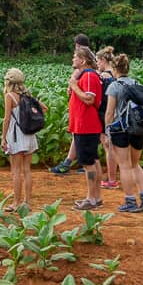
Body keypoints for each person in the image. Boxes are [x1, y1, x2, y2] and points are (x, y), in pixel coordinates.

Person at [105, 53, 143, 213]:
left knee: (124, 166)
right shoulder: (137, 84)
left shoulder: (114, 86)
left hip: (121, 130)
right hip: (139, 129)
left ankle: (130, 200)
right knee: (135, 164)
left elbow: (110, 113)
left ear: (114, 69)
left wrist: (107, 131)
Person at [1, 68, 47, 211]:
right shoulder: (28, 95)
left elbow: (7, 119)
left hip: (16, 135)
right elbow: (44, 108)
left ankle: (16, 202)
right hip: (29, 134)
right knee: (27, 170)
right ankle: (27, 202)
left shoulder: (10, 96)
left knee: (16, 171)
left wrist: (3, 137)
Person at [51, 33, 92, 175]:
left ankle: (72, 163)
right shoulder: (87, 60)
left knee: (83, 134)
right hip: (79, 102)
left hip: (84, 105)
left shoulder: (86, 60)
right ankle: (80, 162)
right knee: (80, 134)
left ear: (79, 45)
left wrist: (73, 86)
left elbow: (86, 92)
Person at [70, 45, 104, 210]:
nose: (72, 60)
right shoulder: (87, 75)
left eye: (75, 57)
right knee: (94, 161)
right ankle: (96, 197)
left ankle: (91, 198)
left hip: (86, 125)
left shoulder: (89, 76)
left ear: (82, 60)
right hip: (85, 125)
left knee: (88, 163)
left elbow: (89, 99)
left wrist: (74, 85)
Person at [96, 47, 120, 189]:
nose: (97, 64)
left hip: (105, 113)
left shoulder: (104, 76)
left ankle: (111, 179)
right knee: (111, 146)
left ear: (103, 60)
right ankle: (113, 177)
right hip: (116, 112)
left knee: (108, 146)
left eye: (98, 61)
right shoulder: (116, 74)